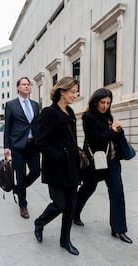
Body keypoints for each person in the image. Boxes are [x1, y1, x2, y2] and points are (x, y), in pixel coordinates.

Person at [73, 88, 133, 244]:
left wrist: (118, 130)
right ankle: (74, 213)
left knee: (117, 192)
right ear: (95, 101)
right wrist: (112, 130)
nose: (105, 105)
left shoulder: (109, 117)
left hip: (112, 162)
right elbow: (96, 139)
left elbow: (112, 138)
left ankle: (119, 229)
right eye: (102, 102)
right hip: (96, 163)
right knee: (87, 189)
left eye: (108, 102)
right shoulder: (88, 117)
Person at [34, 77, 81, 255]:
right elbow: (40, 142)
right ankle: (40, 222)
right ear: (62, 91)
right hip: (55, 167)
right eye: (72, 92)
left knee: (71, 206)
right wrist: (59, 155)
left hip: (72, 167)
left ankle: (65, 240)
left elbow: (72, 139)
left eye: (76, 92)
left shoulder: (70, 112)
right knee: (60, 204)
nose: (75, 95)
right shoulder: (49, 112)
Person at [3, 77, 40, 219]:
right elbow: (8, 127)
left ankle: (19, 189)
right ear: (18, 87)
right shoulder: (11, 105)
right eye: (23, 84)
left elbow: (37, 124)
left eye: (28, 84)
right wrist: (6, 146)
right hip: (17, 145)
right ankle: (23, 205)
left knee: (36, 171)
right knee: (20, 174)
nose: (27, 86)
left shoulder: (35, 105)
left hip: (33, 145)